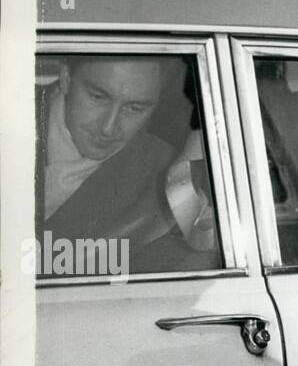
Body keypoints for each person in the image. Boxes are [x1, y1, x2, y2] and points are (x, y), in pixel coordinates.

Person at [35, 55, 215, 274]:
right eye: (97, 97)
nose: (109, 128)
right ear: (65, 77)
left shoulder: (163, 173)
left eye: (135, 108)